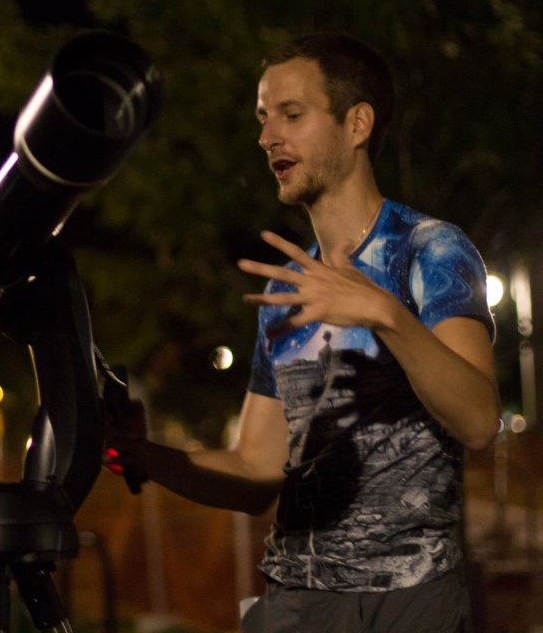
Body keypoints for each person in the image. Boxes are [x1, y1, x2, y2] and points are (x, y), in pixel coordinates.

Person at [106, 34, 500, 632]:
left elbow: (478, 421)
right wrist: (143, 456)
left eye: (291, 114)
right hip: (296, 601)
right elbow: (256, 472)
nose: (267, 137)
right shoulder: (288, 289)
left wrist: (382, 311)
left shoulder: (430, 250)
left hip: (410, 600)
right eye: (264, 119)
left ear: (357, 123)